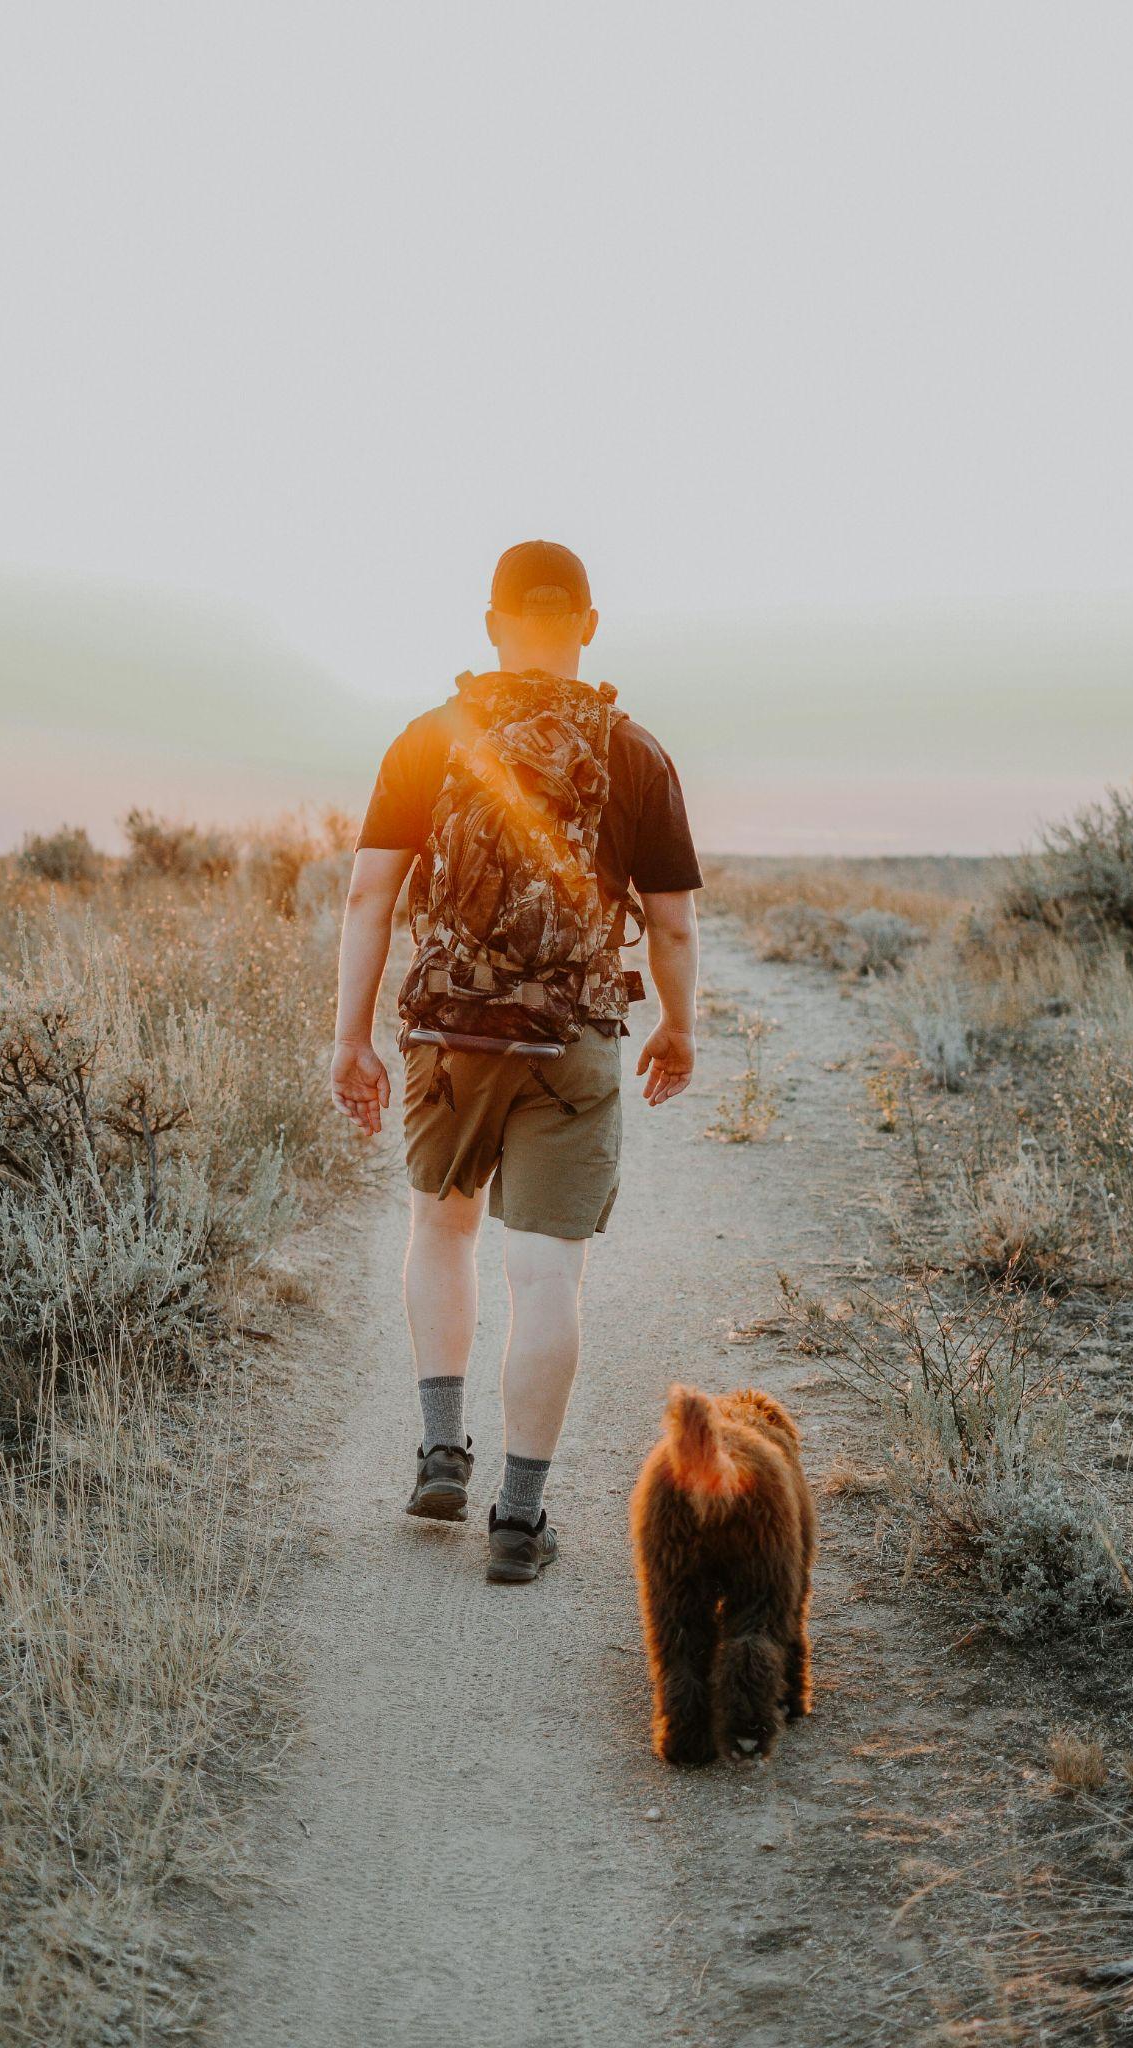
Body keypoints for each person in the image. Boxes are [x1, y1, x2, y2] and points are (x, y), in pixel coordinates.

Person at [330, 540, 702, 1583]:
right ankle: (518, 1519)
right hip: (571, 1037)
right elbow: (669, 926)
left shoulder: (428, 739)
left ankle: (442, 1449)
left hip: (450, 1031)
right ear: (587, 624)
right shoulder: (635, 752)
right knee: (546, 1272)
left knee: (440, 1228)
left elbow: (368, 895)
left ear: (492, 623)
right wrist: (678, 1025)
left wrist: (351, 1036)